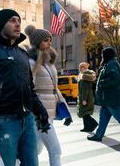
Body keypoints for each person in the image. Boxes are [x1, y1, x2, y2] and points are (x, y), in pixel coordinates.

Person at [0, 9, 50, 166]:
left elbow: (29, 87)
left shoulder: (21, 53)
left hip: (27, 120)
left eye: (19, 21)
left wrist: (41, 112)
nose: (17, 24)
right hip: (3, 121)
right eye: (12, 20)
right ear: (1, 24)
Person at [25, 25, 70, 166]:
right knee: (55, 150)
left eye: (50, 39)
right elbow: (28, 88)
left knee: (36, 149)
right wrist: (37, 111)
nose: (49, 42)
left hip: (49, 111)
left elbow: (54, 89)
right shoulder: (31, 62)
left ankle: (20, 161)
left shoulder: (49, 63)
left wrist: (66, 110)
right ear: (37, 43)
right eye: (46, 40)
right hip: (39, 113)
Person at [87, 47, 120, 143]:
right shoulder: (110, 63)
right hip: (108, 98)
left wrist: (100, 83)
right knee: (103, 117)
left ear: (106, 55)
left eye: (102, 55)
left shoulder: (112, 64)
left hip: (110, 97)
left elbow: (114, 79)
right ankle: (99, 135)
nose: (101, 56)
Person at [77, 62, 98, 132]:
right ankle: (86, 127)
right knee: (84, 113)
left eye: (81, 67)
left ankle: (93, 123)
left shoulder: (85, 76)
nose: (80, 68)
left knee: (85, 113)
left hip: (86, 97)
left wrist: (84, 99)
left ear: (85, 68)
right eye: (79, 67)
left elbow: (85, 89)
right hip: (87, 97)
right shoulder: (84, 76)